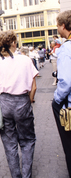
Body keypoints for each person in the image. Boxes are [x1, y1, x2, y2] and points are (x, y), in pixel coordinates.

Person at [0, 30, 38, 178]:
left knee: (9, 143)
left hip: (4, 104)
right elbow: (33, 87)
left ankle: (16, 175)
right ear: (14, 43)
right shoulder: (26, 60)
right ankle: (26, 175)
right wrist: (29, 101)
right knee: (27, 140)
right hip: (22, 101)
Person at [52, 10, 71, 177]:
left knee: (69, 144)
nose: (57, 28)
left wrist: (56, 99)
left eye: (57, 25)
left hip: (69, 106)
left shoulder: (66, 49)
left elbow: (65, 82)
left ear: (63, 26)